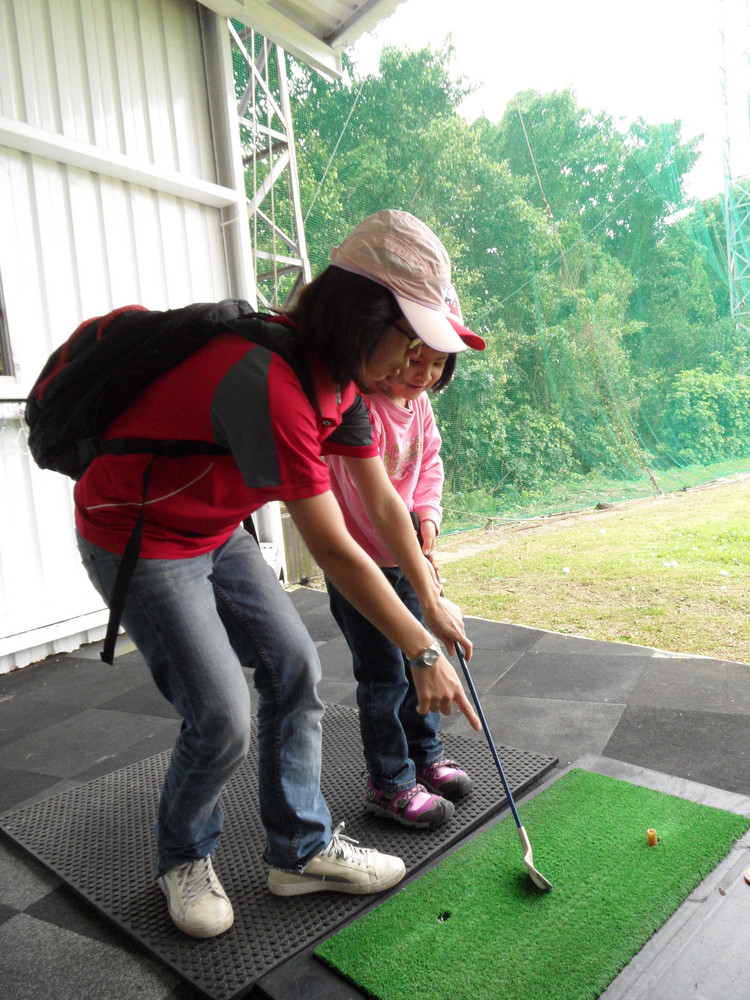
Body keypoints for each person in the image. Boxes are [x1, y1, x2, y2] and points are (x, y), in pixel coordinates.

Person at [73, 208, 481, 940]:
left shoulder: (342, 382)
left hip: (215, 527)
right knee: (222, 715)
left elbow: (383, 503)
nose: (411, 361)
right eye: (408, 337)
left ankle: (299, 851)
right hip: (138, 534)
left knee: (295, 668)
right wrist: (421, 650)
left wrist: (430, 596)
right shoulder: (271, 381)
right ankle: (183, 858)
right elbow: (335, 548)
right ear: (365, 316)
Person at [325, 287, 486, 829]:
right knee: (385, 677)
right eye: (416, 359)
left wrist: (429, 519)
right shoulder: (358, 406)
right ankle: (390, 782)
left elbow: (429, 466)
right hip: (362, 568)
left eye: (438, 364)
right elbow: (370, 503)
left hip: (407, 558)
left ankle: (425, 757)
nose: (424, 373)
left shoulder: (419, 406)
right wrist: (411, 548)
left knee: (422, 664)